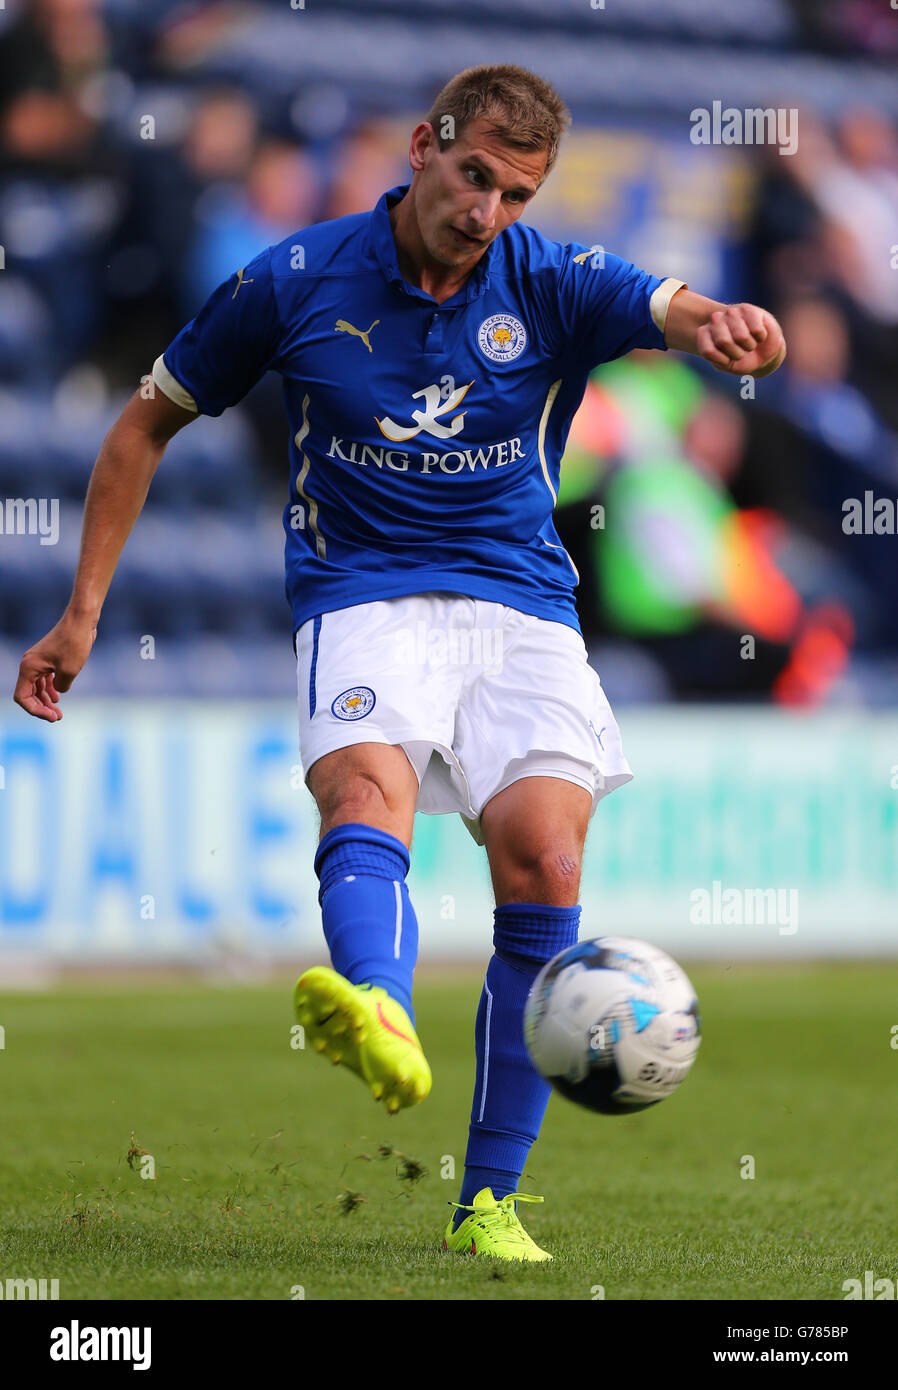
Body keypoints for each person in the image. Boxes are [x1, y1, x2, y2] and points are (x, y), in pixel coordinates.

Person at [13, 64, 786, 1263]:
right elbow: (142, 423)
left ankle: (488, 1202)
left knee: (544, 857)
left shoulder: (549, 280)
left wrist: (728, 327)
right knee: (365, 795)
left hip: (521, 602)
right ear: (424, 146)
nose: (486, 210)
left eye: (514, 193)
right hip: (360, 592)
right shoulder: (296, 276)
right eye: (473, 174)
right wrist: (83, 613)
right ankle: (377, 1000)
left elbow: (671, 303)